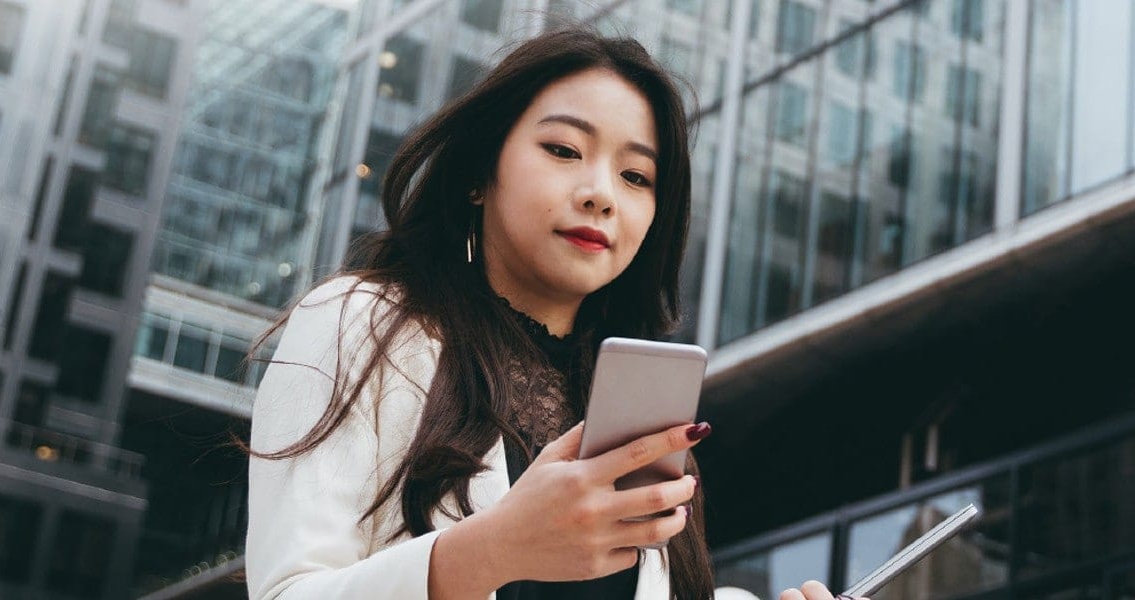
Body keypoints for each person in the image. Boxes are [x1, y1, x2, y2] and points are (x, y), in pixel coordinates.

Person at [243, 27, 857, 600]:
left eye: (636, 176)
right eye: (564, 149)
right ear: (481, 172)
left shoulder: (633, 403)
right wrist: (494, 549)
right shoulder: (361, 320)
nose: (601, 193)